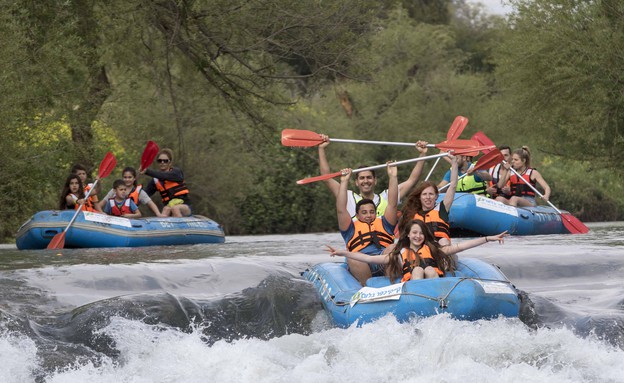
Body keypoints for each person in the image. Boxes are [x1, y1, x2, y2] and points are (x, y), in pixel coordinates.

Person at [326, 219, 508, 283]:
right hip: (413, 289)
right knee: (419, 270)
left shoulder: (433, 249)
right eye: (414, 233)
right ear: (408, 235)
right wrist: (344, 253)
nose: (418, 236)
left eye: (421, 233)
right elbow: (369, 259)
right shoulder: (400, 253)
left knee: (429, 269)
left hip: (434, 284)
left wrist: (487, 238)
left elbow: (461, 247)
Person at [318, 135, 429, 219]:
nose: (366, 181)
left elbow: (412, 180)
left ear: (375, 181)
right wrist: (321, 149)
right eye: (362, 178)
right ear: (356, 182)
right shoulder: (348, 198)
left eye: (369, 177)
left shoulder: (388, 196)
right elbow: (326, 178)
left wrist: (422, 154)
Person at [336, 164, 398, 285]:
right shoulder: (350, 228)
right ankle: (367, 287)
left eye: (371, 212)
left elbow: (392, 204)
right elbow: (341, 209)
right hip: (361, 263)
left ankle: (393, 284)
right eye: (364, 212)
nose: (368, 215)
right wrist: (344, 182)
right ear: (357, 215)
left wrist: (393, 176)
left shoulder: (385, 223)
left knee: (393, 248)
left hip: (383, 259)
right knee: (352, 256)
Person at [398, 155, 459, 246]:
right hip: (421, 248)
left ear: (436, 196)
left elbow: (453, 185)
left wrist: (454, 163)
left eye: (431, 194)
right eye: (424, 194)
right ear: (420, 197)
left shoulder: (442, 209)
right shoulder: (412, 214)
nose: (428, 197)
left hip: (440, 248)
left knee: (443, 241)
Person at [140, 148, 191, 217]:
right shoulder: (155, 181)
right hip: (169, 207)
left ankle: (181, 227)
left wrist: (147, 171)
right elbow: (144, 195)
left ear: (170, 162)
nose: (162, 163)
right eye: (160, 161)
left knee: (175, 208)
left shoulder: (176, 173)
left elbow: (164, 176)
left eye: (165, 161)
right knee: (165, 209)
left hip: (185, 207)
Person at [96, 167, 163, 217]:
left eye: (129, 177)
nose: (127, 179)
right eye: (125, 177)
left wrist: (158, 214)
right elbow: (100, 204)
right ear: (122, 178)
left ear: (134, 178)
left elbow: (150, 203)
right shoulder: (115, 190)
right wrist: (102, 214)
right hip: (115, 221)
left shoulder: (139, 192)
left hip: (131, 221)